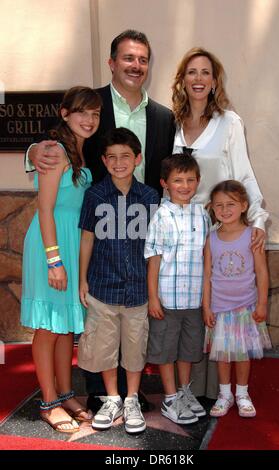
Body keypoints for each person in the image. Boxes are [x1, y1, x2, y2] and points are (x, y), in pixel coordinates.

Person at [25, 29, 175, 412]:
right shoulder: (93, 102)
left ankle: (124, 391)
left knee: (110, 314)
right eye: (128, 58)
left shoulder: (162, 116)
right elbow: (50, 151)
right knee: (86, 317)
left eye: (142, 59)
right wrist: (33, 150)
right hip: (89, 232)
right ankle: (96, 391)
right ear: (112, 63)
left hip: (133, 228)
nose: (135, 65)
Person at [171, 47, 269, 399]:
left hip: (218, 229)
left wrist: (256, 219)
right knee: (191, 308)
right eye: (192, 72)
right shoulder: (171, 123)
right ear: (183, 80)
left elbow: (244, 175)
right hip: (181, 232)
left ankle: (220, 389)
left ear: (214, 82)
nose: (198, 79)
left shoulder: (229, 122)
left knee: (219, 308)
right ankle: (189, 389)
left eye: (205, 73)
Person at [20, 86, 102, 432]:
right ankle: (49, 400)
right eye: (82, 112)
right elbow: (45, 208)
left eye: (95, 114)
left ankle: (67, 393)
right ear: (65, 114)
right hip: (50, 244)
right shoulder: (54, 151)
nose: (89, 119)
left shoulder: (80, 152)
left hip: (70, 242)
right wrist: (54, 260)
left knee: (66, 325)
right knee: (48, 326)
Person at [77, 127, 159, 434]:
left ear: (137, 158)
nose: (118, 162)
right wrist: (83, 279)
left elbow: (155, 248)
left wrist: (154, 289)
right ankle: (112, 398)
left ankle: (132, 398)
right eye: (111, 157)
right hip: (102, 286)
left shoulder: (151, 196)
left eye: (125, 156)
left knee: (135, 348)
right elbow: (86, 239)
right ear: (103, 160)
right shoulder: (95, 195)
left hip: (138, 288)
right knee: (105, 347)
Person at [144, 154, 210, 424]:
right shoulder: (161, 216)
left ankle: (184, 392)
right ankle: (170, 397)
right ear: (165, 183)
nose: (184, 186)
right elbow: (154, 259)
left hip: (193, 300)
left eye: (190, 180)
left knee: (188, 350)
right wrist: (153, 298)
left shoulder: (203, 214)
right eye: (177, 180)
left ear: (198, 182)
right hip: (167, 299)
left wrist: (207, 301)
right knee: (166, 350)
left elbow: (207, 259)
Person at [202, 180, 272, 417]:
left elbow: (262, 272)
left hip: (245, 307)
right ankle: (225, 395)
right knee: (222, 355)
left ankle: (242, 393)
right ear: (212, 208)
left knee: (241, 354)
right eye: (219, 205)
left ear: (243, 205)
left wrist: (262, 303)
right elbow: (207, 275)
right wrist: (206, 306)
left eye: (230, 204)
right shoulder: (211, 238)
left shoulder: (253, 235)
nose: (224, 210)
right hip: (219, 308)